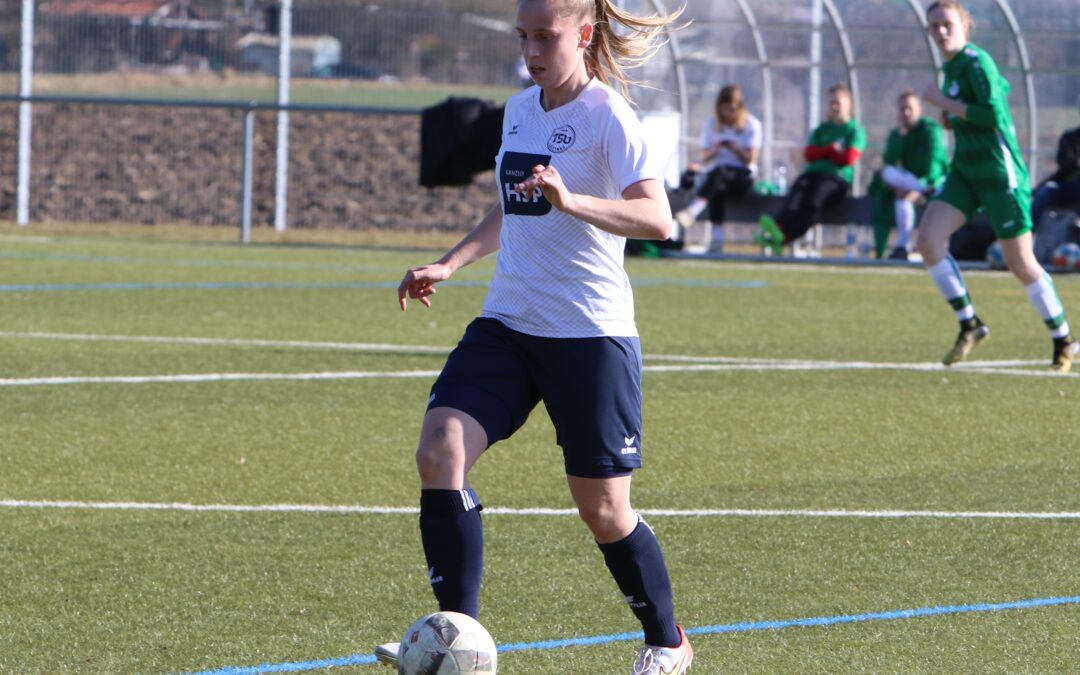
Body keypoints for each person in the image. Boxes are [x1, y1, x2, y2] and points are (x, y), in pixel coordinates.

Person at [381, 1, 694, 674]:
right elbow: (512, 202)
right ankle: (455, 638)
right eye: (523, 36)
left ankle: (668, 641)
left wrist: (573, 200)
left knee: (605, 509)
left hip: (589, 334)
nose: (531, 49)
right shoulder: (520, 109)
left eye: (544, 36)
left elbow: (658, 219)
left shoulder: (609, 116)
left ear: (582, 34)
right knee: (440, 450)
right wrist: (450, 261)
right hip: (508, 326)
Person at [915, 0, 1076, 371]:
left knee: (1020, 263)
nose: (940, 32)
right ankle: (970, 323)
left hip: (1000, 174)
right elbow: (966, 112)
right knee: (927, 241)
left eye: (946, 24)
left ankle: (1062, 337)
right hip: (965, 171)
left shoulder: (975, 61)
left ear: (964, 26)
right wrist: (950, 115)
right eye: (934, 26)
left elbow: (994, 114)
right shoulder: (953, 68)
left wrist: (945, 103)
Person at [753, 83, 867, 255]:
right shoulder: (822, 129)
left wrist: (823, 153)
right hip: (813, 174)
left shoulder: (854, 130)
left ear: (849, 104)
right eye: (831, 103)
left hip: (836, 178)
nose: (834, 107)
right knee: (797, 193)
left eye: (838, 102)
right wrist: (830, 150)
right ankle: (778, 228)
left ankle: (785, 237)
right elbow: (809, 154)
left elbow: (848, 158)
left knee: (814, 202)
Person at [673, 84, 763, 252]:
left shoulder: (752, 125)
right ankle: (717, 239)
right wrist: (716, 149)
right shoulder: (712, 124)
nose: (729, 114)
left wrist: (735, 148)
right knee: (717, 186)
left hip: (742, 177)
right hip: (717, 178)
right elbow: (705, 157)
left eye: (732, 109)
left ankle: (695, 209)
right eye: (725, 109)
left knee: (719, 175)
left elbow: (750, 159)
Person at [867, 90, 949, 260]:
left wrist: (924, 187)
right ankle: (902, 247)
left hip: (933, 184)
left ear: (919, 109)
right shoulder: (899, 133)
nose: (906, 113)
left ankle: (908, 244)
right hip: (909, 184)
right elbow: (889, 161)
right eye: (902, 109)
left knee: (904, 195)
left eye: (910, 108)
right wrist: (899, 137)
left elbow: (934, 164)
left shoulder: (930, 130)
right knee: (894, 184)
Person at [1031, 97, 1080, 231]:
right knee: (1047, 190)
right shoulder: (1071, 137)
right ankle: (1028, 233)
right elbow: (1063, 163)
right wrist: (1075, 161)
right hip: (1070, 186)